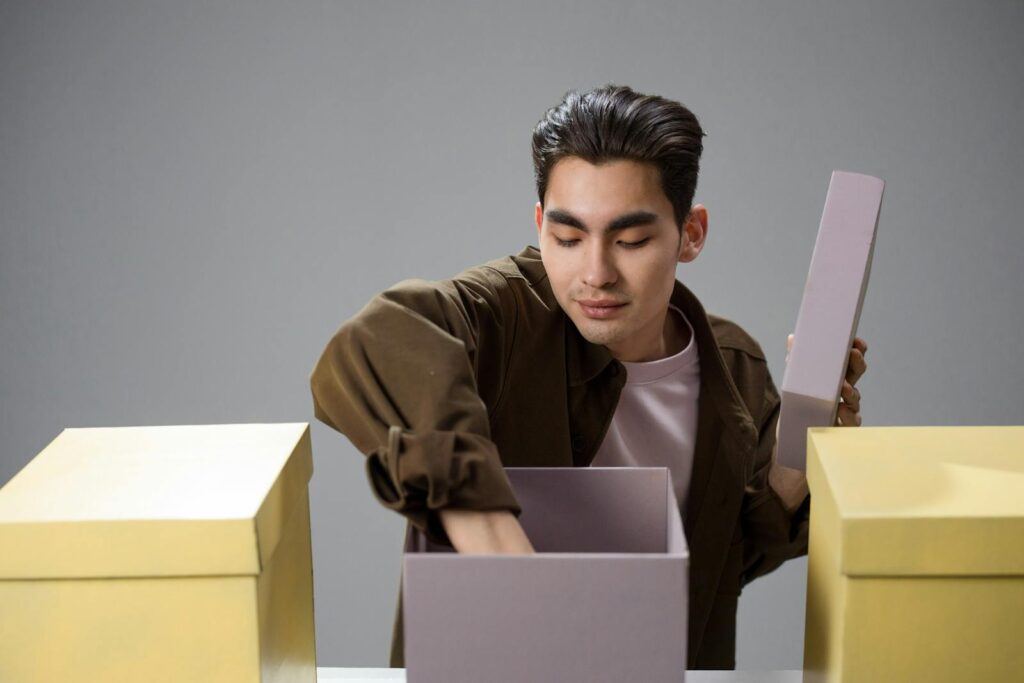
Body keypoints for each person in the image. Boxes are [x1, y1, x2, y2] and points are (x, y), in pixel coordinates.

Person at [309, 84, 868, 670]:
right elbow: (376, 338)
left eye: (630, 240)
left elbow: (731, 553)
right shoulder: (503, 315)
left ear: (692, 233)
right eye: (568, 238)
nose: (595, 272)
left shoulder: (732, 366)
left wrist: (808, 448)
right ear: (538, 224)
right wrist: (500, 547)